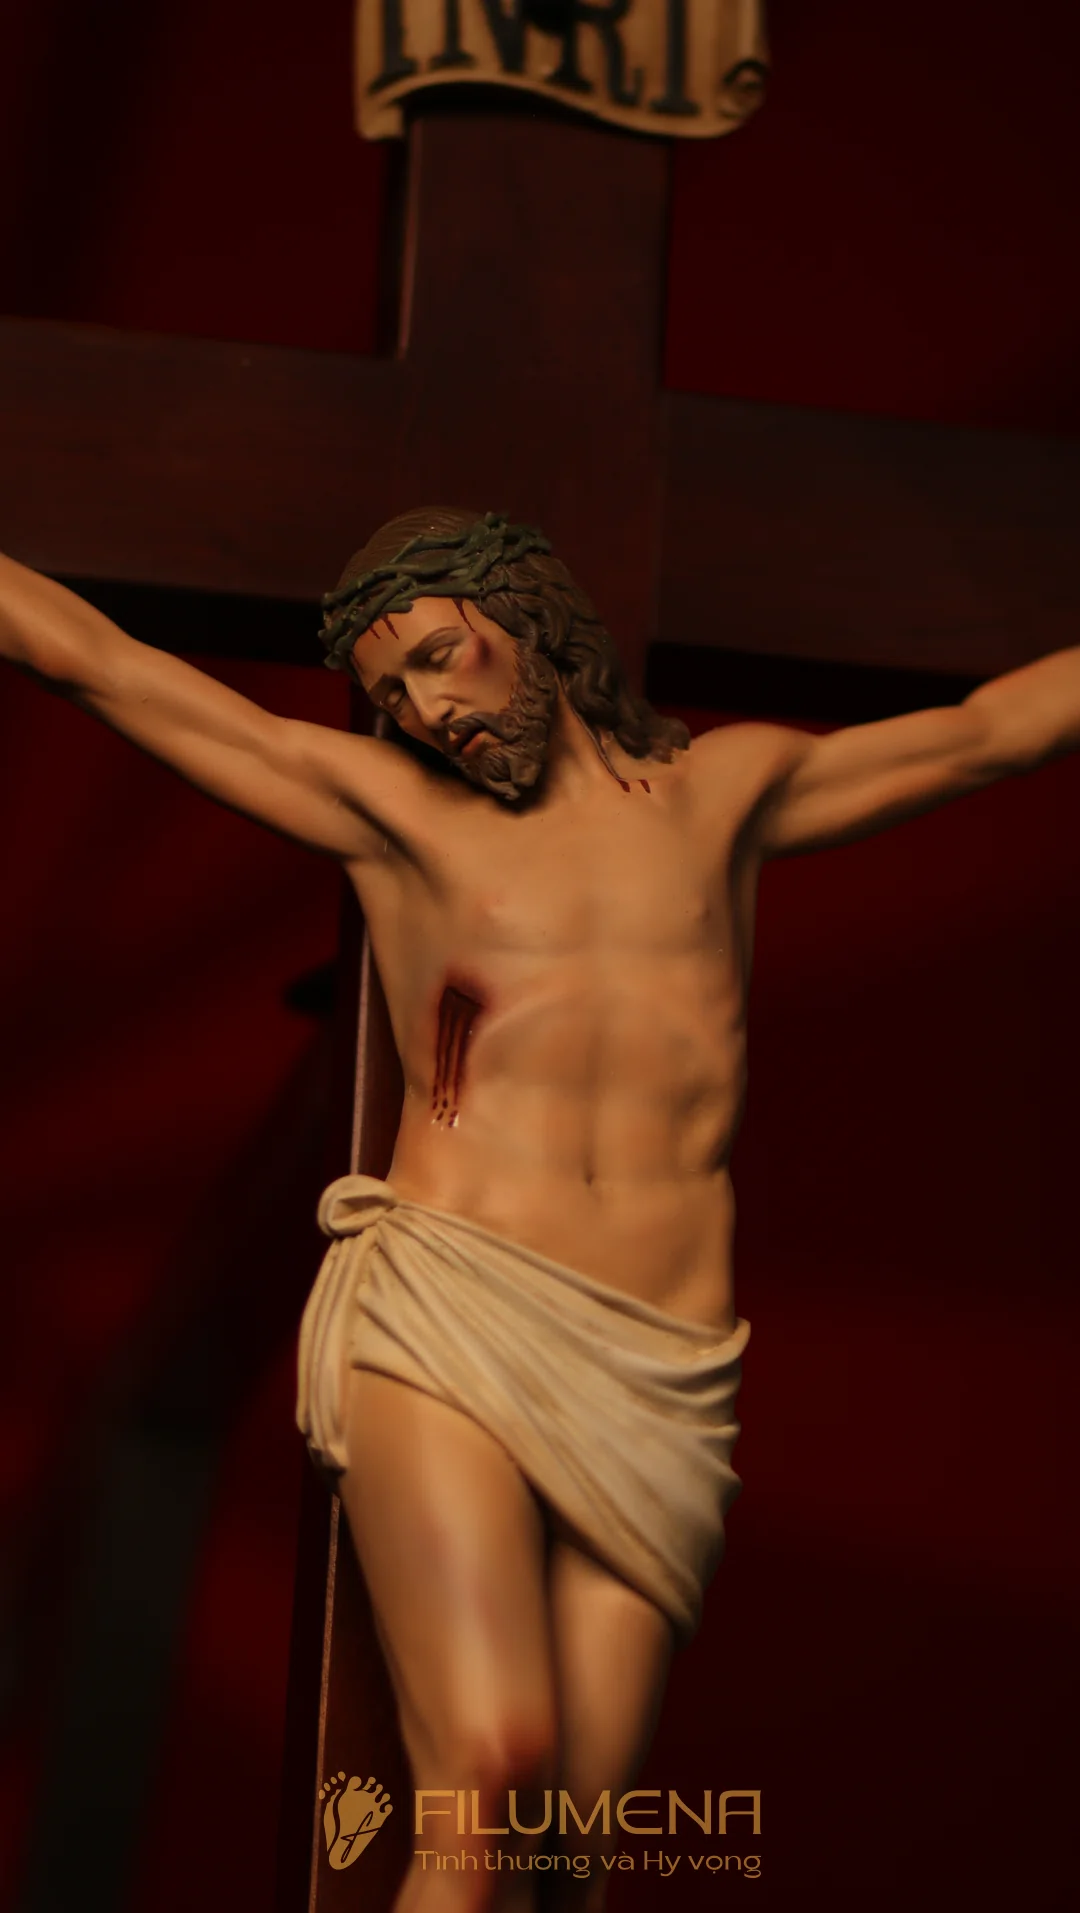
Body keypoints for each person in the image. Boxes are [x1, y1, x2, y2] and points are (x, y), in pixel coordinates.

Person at [2, 506, 1077, 1911]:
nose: (426, 710)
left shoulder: (724, 795)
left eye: (438, 657)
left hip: (662, 1363)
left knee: (575, 1851)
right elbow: (104, 665)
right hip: (450, 1305)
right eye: (393, 693)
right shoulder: (393, 819)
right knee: (491, 1771)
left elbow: (992, 731)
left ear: (525, 615)